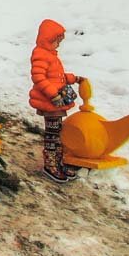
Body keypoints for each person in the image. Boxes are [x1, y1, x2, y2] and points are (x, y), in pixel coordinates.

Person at [27, 19, 84, 183]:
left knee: (58, 132)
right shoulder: (40, 54)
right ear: (48, 39)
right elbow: (39, 77)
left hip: (56, 101)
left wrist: (74, 78)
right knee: (53, 134)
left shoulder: (51, 55)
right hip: (50, 102)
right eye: (57, 41)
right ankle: (50, 164)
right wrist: (53, 94)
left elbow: (57, 76)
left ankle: (58, 162)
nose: (58, 45)